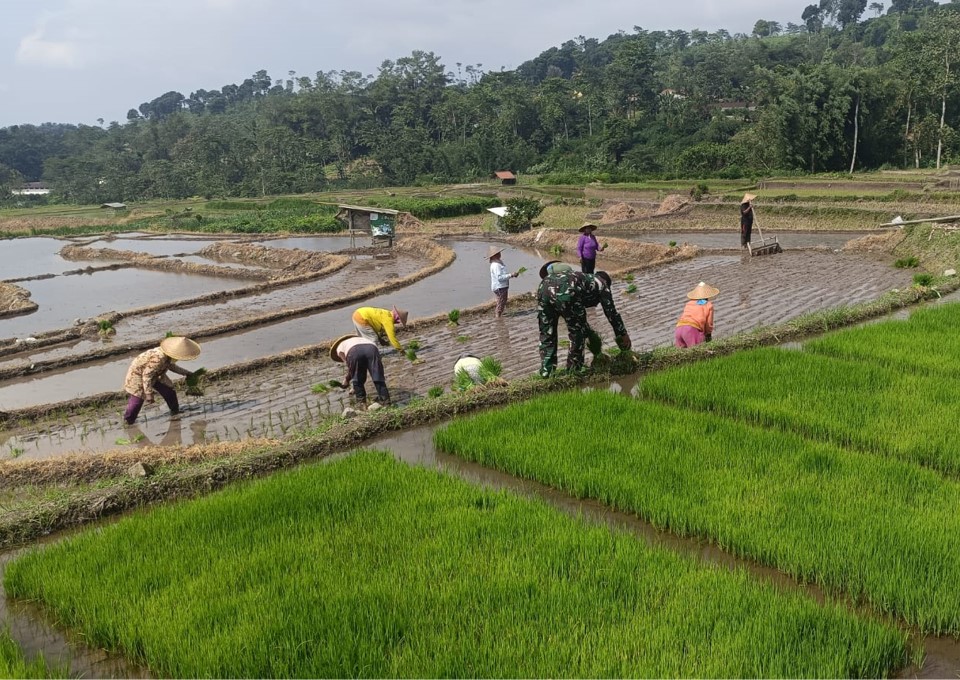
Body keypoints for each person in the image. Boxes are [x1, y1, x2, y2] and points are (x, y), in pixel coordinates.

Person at [537, 269, 631, 378]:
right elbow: (611, 314)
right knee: (577, 332)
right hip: (566, 289)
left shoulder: (584, 279)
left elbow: (579, 318)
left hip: (544, 286)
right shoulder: (602, 284)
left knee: (547, 332)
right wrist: (623, 333)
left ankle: (546, 372)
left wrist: (591, 335)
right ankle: (573, 371)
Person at [122, 336, 201, 425]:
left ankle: (175, 411)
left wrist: (187, 373)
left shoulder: (168, 355)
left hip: (156, 374)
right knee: (138, 400)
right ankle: (128, 421)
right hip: (138, 375)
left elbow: (171, 366)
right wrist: (148, 393)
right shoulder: (159, 358)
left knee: (169, 391)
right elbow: (146, 375)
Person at [330, 334, 390, 406]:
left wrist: (347, 380)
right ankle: (386, 401)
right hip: (372, 348)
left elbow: (352, 369)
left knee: (357, 379)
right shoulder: (362, 339)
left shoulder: (339, 349)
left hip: (354, 351)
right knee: (377, 376)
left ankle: (362, 404)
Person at [675, 281, 719, 348]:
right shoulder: (708, 305)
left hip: (679, 329)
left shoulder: (689, 303)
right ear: (708, 296)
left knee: (682, 354)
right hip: (691, 329)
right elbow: (709, 324)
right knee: (699, 352)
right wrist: (708, 336)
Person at [488, 246, 518, 318]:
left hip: (501, 286)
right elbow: (500, 278)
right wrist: (511, 275)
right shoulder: (496, 265)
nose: (500, 254)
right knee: (501, 302)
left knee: (502, 301)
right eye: (498, 253)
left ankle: (499, 314)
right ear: (494, 255)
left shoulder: (498, 263)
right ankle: (498, 316)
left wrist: (511, 275)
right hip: (499, 287)